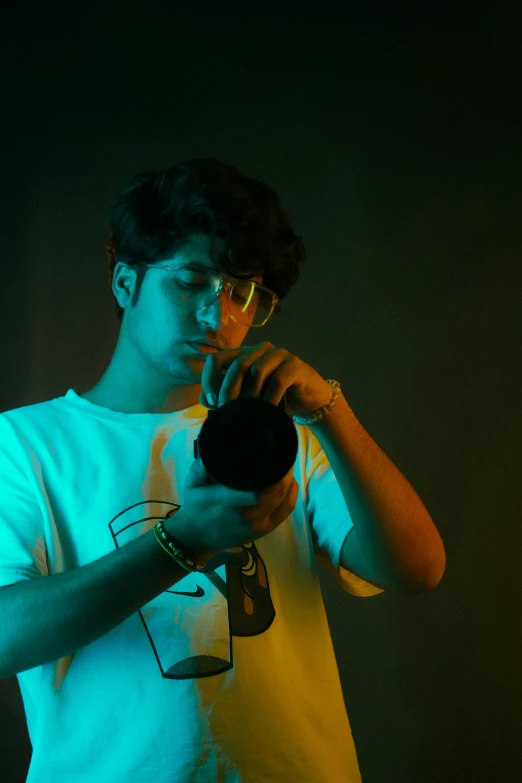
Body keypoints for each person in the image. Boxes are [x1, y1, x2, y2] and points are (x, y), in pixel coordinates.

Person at [0, 158, 384, 783]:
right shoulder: (22, 442)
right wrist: (184, 542)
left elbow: (416, 566)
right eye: (192, 282)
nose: (220, 318)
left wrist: (328, 411)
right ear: (126, 283)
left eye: (243, 294)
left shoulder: (276, 435)